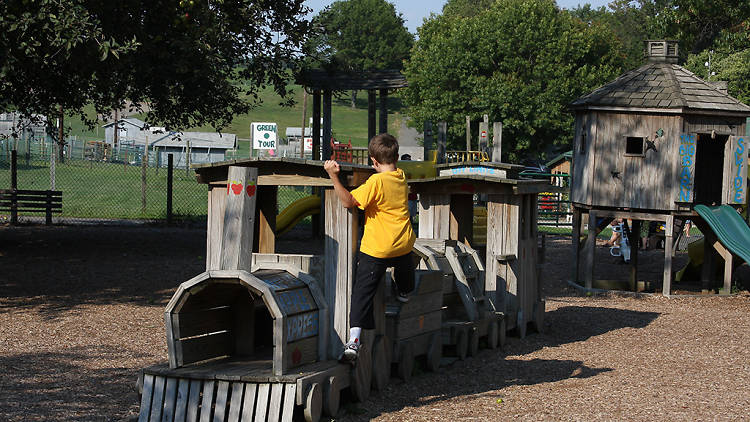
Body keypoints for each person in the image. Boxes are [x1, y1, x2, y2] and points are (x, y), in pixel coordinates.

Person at [324, 133, 416, 362]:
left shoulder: (375, 182)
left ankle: (354, 340)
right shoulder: (401, 177)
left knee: (362, 293)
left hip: (377, 248)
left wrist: (333, 176)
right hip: (403, 244)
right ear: (396, 157)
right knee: (406, 268)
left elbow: (349, 201)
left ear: (373, 161)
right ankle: (404, 291)